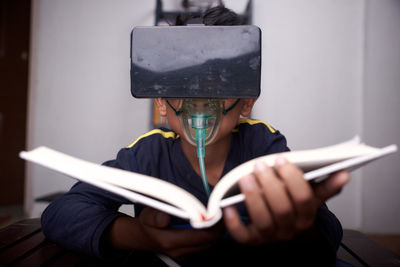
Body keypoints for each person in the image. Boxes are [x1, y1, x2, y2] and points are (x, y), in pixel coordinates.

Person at [41, 5, 350, 266]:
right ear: (161, 102)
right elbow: (62, 213)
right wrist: (141, 236)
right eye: (183, 83)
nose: (200, 101)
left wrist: (301, 224)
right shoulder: (147, 155)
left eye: (217, 83)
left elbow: (328, 236)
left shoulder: (263, 145)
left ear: (246, 101)